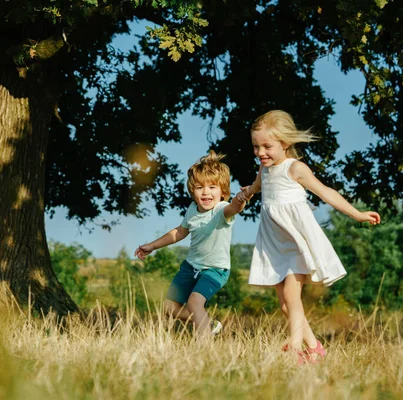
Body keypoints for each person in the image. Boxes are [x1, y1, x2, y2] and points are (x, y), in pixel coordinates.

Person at [237, 110, 381, 364]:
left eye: (267, 146)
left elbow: (326, 193)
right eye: (256, 147)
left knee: (293, 298)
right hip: (274, 243)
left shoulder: (295, 168)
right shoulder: (265, 169)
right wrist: (244, 194)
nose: (260, 152)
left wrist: (357, 214)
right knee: (285, 306)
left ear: (285, 142)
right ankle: (314, 347)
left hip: (296, 242)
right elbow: (255, 187)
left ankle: (294, 346)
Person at [134, 151, 248, 335]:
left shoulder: (220, 210)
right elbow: (179, 232)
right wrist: (152, 246)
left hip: (214, 270)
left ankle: (204, 349)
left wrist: (241, 201)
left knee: (195, 302)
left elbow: (233, 208)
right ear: (192, 191)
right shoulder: (192, 210)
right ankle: (207, 323)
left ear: (223, 192)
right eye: (199, 187)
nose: (206, 192)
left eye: (212, 187)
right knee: (169, 307)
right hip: (190, 267)